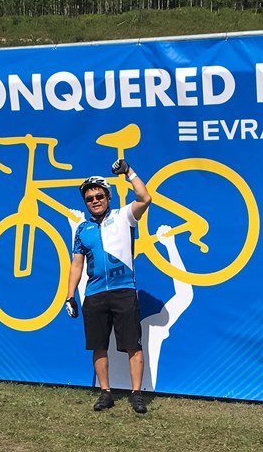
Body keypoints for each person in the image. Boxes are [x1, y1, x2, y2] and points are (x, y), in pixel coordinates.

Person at [65, 158, 151, 413]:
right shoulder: (82, 230)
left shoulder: (124, 216)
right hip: (94, 294)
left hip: (123, 290)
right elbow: (76, 265)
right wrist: (70, 296)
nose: (95, 200)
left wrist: (129, 172)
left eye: (99, 195)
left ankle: (137, 394)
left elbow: (145, 198)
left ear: (108, 196)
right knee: (98, 346)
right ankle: (106, 393)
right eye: (89, 198)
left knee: (132, 345)